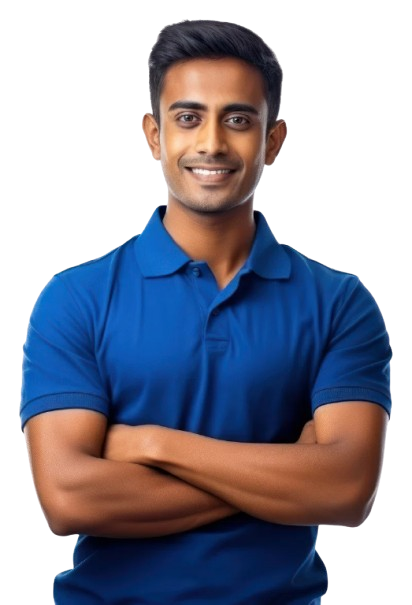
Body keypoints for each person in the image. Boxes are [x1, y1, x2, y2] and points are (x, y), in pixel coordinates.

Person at [20, 19, 393, 604]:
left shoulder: (340, 303)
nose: (212, 143)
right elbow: (68, 500)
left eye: (238, 120)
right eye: (188, 118)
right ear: (154, 135)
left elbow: (346, 491)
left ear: (273, 140)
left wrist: (153, 445)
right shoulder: (75, 298)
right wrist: (291, 475)